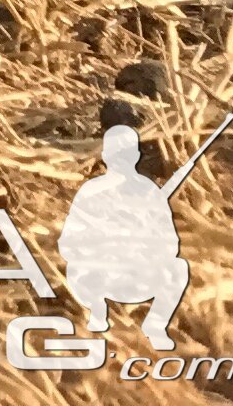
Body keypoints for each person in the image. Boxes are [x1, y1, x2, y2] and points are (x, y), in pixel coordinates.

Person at [60, 124, 192, 349]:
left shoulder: (150, 192)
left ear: (136, 156)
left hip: (139, 275)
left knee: (178, 269)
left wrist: (144, 245)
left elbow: (171, 244)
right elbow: (67, 243)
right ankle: (97, 315)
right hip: (100, 274)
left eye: (126, 153)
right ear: (105, 155)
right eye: (116, 153)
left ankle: (156, 325)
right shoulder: (91, 191)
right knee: (75, 268)